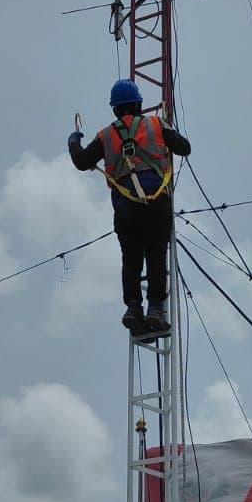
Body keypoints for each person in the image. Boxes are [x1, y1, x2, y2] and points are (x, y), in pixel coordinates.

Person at [68, 79, 191, 336]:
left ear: (115, 109)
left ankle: (133, 307)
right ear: (139, 104)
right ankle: (156, 309)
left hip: (126, 208)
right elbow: (184, 148)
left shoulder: (105, 135)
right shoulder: (155, 124)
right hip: (156, 203)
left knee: (132, 259)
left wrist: (73, 141)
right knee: (156, 254)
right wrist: (168, 129)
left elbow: (82, 162)